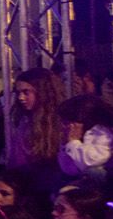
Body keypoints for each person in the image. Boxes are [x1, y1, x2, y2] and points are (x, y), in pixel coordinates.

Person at [7, 67, 68, 196]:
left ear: (42, 92)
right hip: (26, 184)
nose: (21, 98)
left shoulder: (62, 121)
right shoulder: (24, 121)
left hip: (51, 187)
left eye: (26, 92)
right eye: (18, 93)